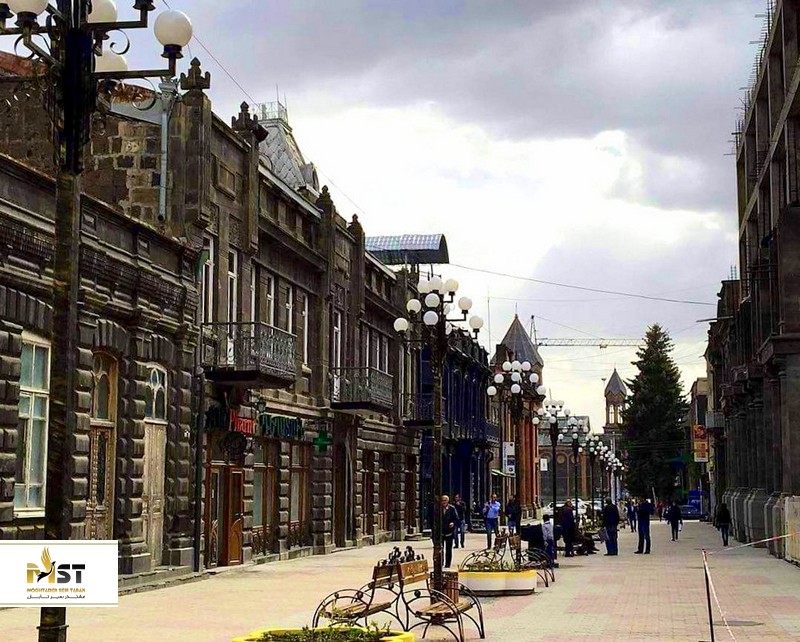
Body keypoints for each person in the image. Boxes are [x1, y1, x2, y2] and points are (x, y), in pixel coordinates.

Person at [437, 494, 460, 568]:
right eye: (442, 500)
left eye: (445, 500)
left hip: (449, 532)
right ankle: (440, 563)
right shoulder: (438, 508)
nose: (443, 502)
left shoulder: (452, 508)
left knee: (448, 549)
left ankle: (447, 564)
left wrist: (453, 523)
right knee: (440, 549)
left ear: (447, 501)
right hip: (441, 532)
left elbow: (456, 519)